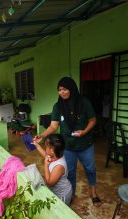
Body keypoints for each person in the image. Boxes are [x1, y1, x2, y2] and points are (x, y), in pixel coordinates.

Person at [33, 76, 101, 206]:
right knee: (70, 172)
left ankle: (93, 192)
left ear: (71, 88)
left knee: (90, 169)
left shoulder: (84, 102)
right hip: (68, 146)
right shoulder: (58, 106)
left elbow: (93, 120)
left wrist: (84, 131)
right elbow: (53, 126)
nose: (62, 92)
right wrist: (42, 135)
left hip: (85, 144)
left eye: (64, 89)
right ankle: (71, 194)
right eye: (59, 90)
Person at [32, 134, 72, 205]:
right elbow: (45, 155)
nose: (45, 148)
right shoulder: (54, 156)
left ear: (52, 150)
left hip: (62, 195)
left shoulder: (59, 166)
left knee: (61, 212)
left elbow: (50, 183)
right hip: (56, 192)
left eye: (46, 147)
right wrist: (37, 145)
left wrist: (46, 165)